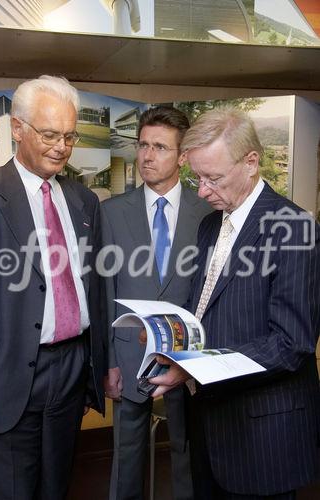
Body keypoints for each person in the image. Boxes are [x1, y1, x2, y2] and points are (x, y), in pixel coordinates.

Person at [149, 107, 320, 499]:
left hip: (262, 434)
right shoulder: (211, 224)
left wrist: (196, 368)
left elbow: (292, 343)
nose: (202, 191)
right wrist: (173, 342)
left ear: (251, 163)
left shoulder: (295, 229)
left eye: (213, 178)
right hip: (210, 425)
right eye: (197, 177)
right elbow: (209, 306)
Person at [0, 75, 107, 500]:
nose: (61, 147)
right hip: (7, 373)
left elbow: (94, 285)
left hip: (71, 369)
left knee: (57, 486)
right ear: (17, 128)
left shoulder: (83, 200)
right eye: (50, 134)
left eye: (69, 136)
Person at [101, 106, 211, 500]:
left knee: (188, 456)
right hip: (129, 360)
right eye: (143, 145)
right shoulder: (110, 212)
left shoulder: (208, 215)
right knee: (125, 458)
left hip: (188, 360)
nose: (147, 155)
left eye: (160, 147)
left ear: (182, 157)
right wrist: (109, 362)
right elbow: (105, 292)